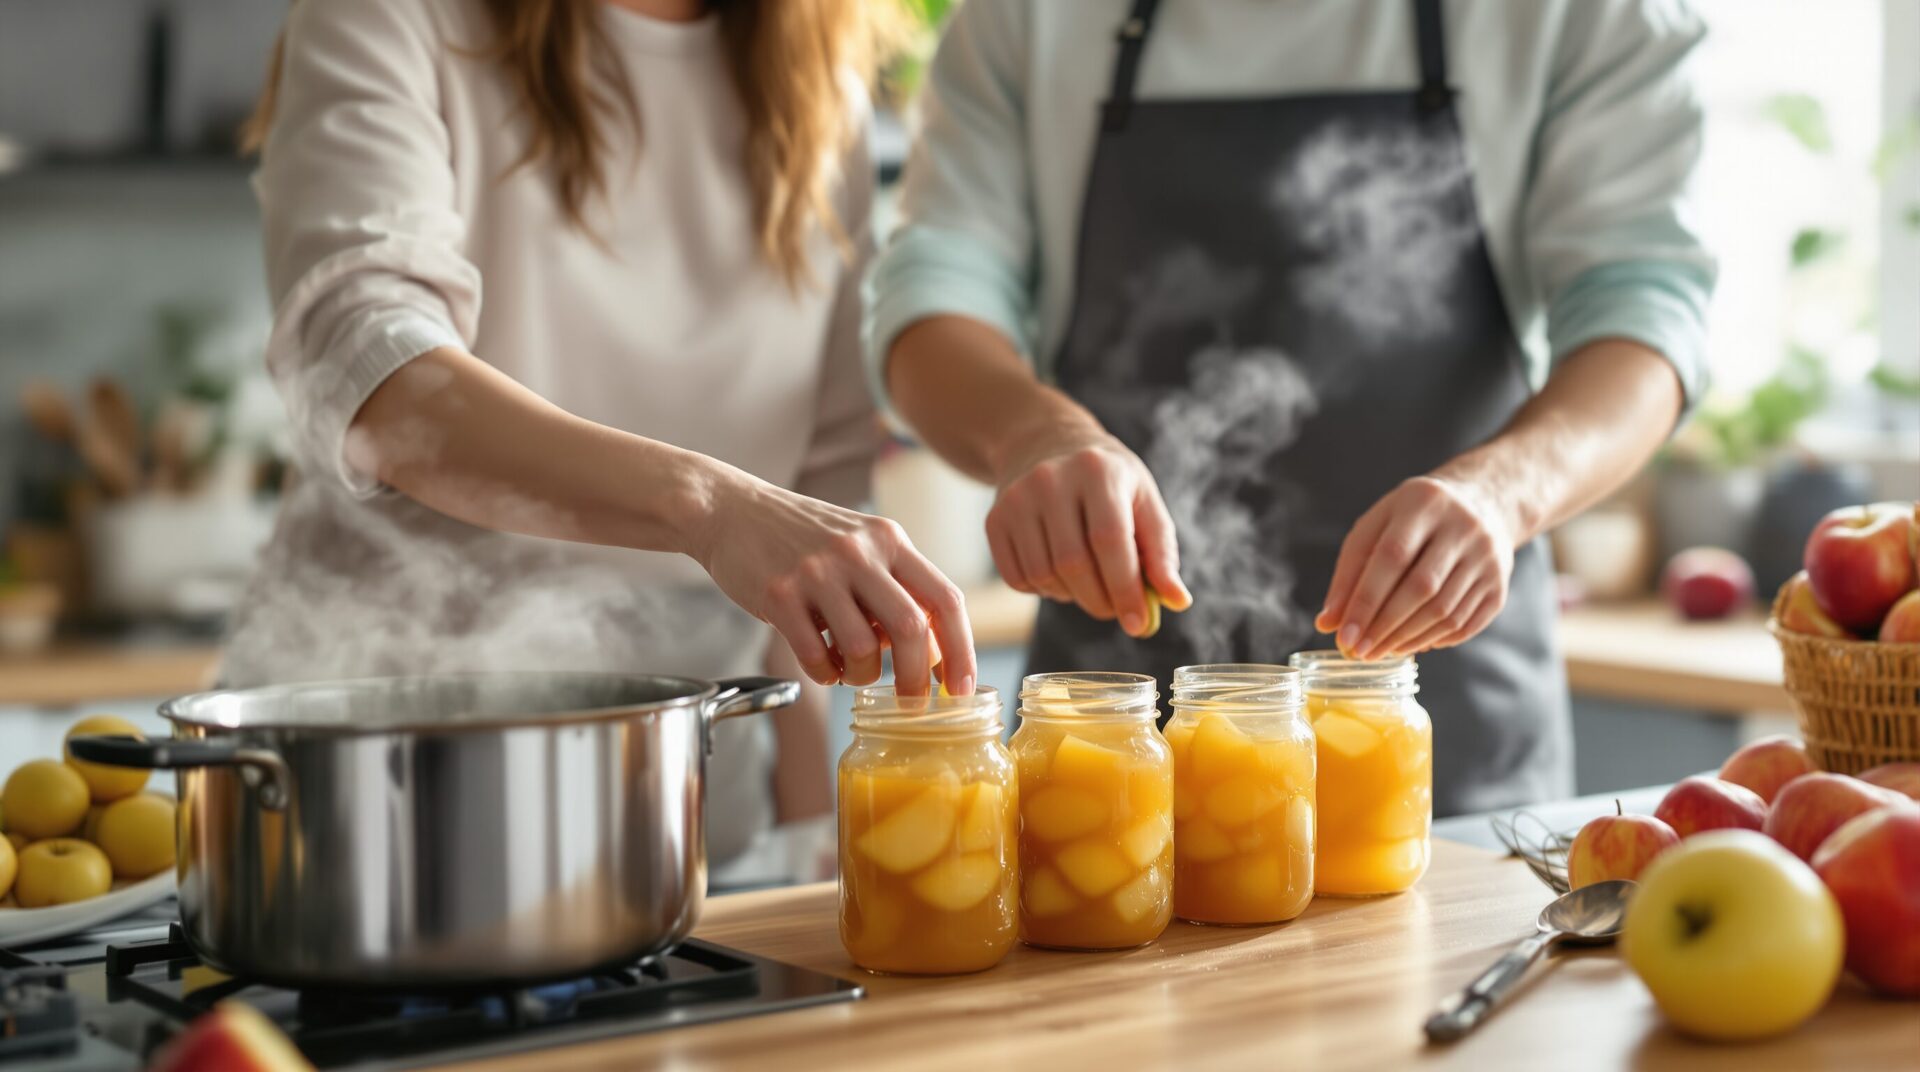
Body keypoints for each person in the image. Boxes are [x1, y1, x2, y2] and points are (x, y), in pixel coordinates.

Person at [872, 0, 1715, 815]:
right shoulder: (1021, 14)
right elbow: (931, 303)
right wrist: (1032, 435)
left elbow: (1640, 313)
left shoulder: (1588, 11)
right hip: (1112, 740)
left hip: (1443, 729)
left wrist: (1505, 492)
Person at [226, 0, 976, 870]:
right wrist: (709, 507)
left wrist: (812, 840)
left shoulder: (824, 96)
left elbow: (819, 512)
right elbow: (376, 376)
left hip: (683, 826)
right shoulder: (394, 18)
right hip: (374, 800)